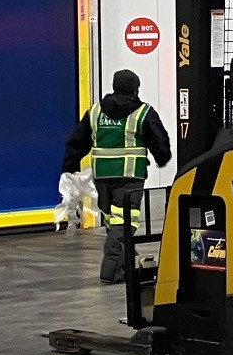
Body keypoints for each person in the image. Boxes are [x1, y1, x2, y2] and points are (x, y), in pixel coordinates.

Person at [62, 68, 173, 284]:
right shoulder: (142, 112)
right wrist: (162, 158)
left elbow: (77, 141)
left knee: (113, 222)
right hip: (129, 176)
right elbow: (159, 140)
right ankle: (111, 269)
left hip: (102, 178)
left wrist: (70, 166)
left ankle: (126, 262)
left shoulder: (96, 111)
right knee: (124, 223)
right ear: (135, 88)